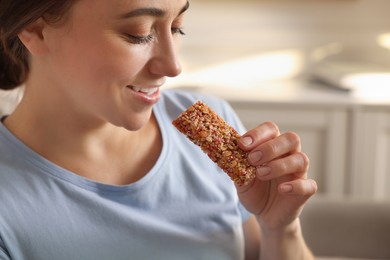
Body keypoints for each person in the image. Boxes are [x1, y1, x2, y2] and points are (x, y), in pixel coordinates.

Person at [0, 0, 318, 259]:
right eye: (138, 33)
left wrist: (279, 228)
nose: (173, 65)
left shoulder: (213, 126)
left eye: (177, 27)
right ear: (36, 30)